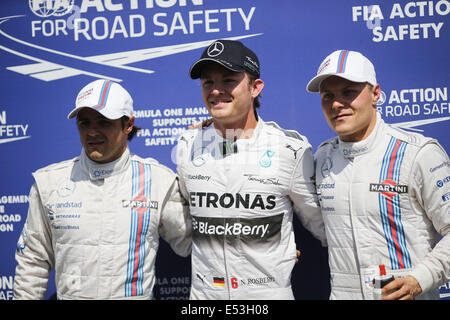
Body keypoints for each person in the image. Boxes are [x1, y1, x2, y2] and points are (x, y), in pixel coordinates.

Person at [176, 39, 326, 300]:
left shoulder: (289, 149)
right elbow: (186, 219)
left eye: (228, 80)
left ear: (255, 87)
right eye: (208, 82)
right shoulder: (187, 145)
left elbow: (324, 225)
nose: (215, 90)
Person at [13, 79, 191, 300]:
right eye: (84, 123)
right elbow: (32, 262)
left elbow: (192, 244)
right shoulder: (49, 182)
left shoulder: (158, 180)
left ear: (128, 124)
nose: (92, 132)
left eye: (103, 121)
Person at [307, 49, 450, 300]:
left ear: (375, 94)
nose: (337, 104)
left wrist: (420, 279)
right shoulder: (321, 159)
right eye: (328, 95)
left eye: (349, 92)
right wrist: (216, 134)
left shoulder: (417, 153)